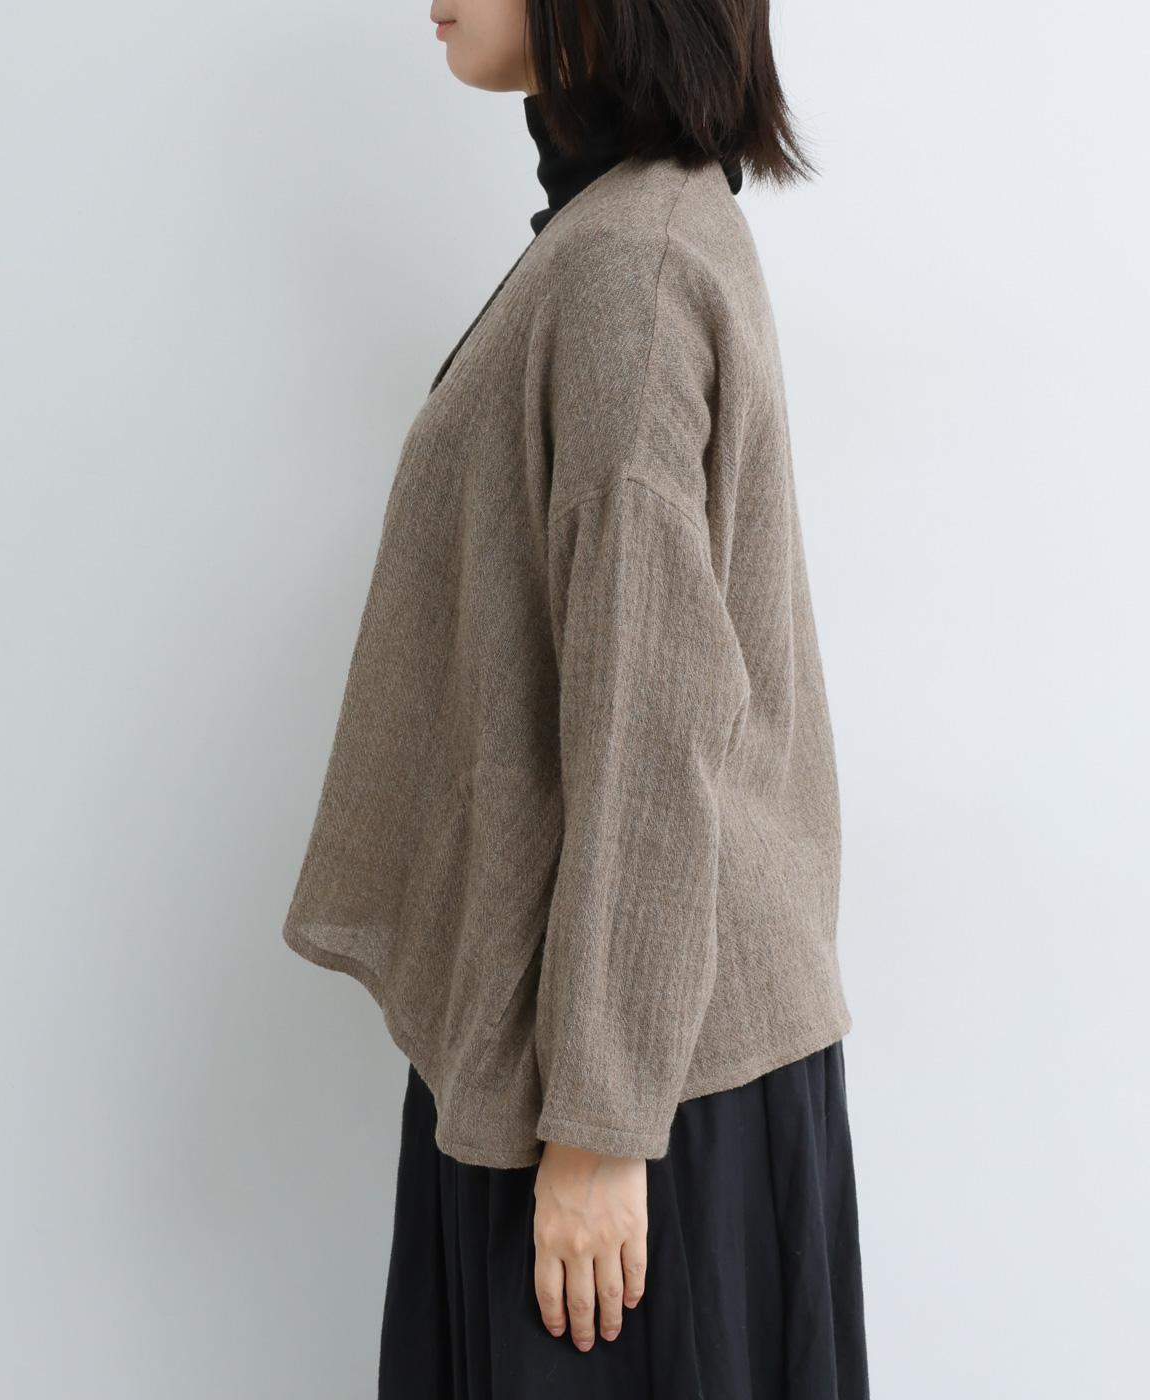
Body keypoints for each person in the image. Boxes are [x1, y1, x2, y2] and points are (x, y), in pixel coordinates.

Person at [281, 2, 870, 1394]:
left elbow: (652, 717)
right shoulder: (632, 230)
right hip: (628, 1049)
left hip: (629, 1090)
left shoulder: (628, 272)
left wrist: (601, 1128)